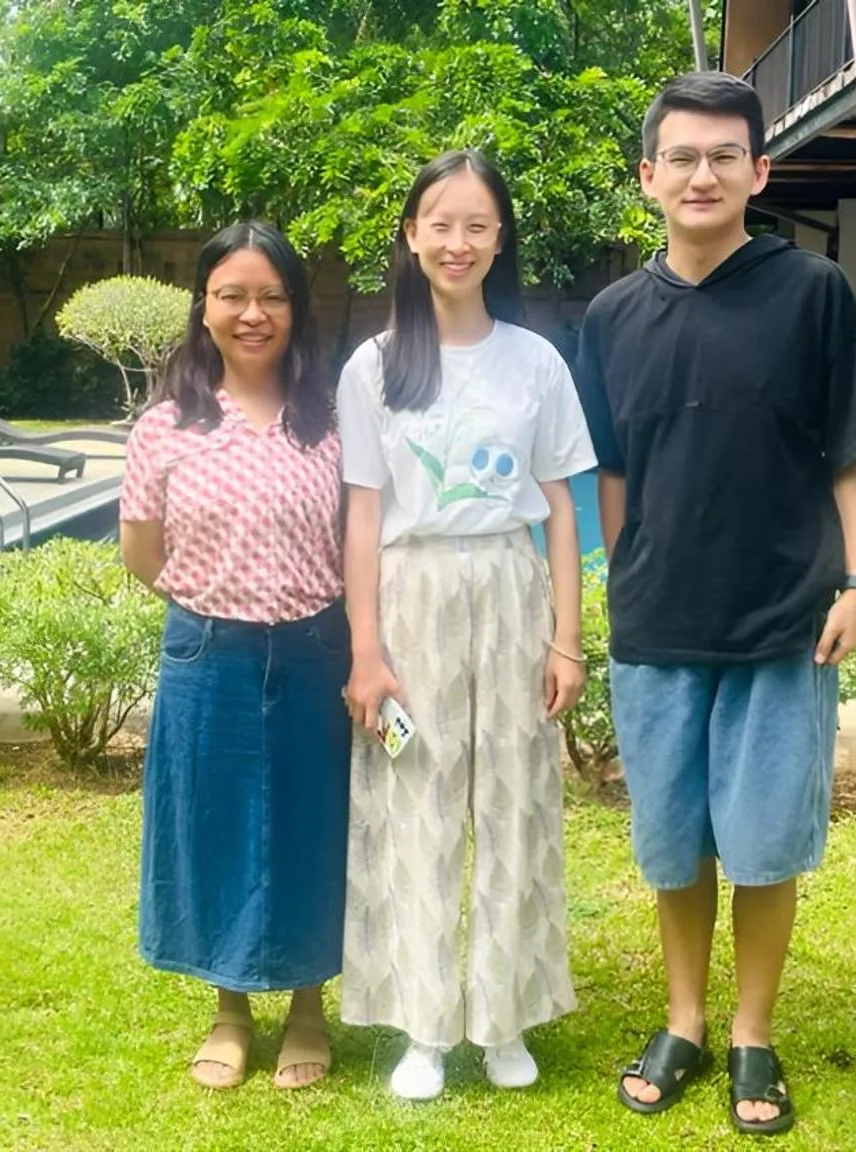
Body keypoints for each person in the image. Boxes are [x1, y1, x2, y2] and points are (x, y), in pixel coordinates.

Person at [571, 72, 856, 1135]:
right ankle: (685, 1020)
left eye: (723, 157)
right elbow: (610, 473)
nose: (700, 176)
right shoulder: (611, 315)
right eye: (680, 158)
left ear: (759, 170)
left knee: (762, 841)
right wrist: (626, 575)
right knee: (672, 842)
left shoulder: (812, 293)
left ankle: (752, 1032)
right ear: (647, 177)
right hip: (658, 625)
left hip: (781, 620)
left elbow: (849, 452)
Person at [337, 149, 597, 1102]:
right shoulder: (372, 367)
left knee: (515, 806)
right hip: (411, 600)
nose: (457, 242)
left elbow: (563, 508)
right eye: (439, 224)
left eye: (477, 225)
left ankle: (503, 1017)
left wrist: (566, 637)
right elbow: (362, 514)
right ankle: (424, 1025)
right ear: (410, 237)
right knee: (418, 807)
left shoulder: (536, 361)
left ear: (500, 240)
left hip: (508, 591)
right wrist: (366, 651)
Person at [120, 220, 351, 1092]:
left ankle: (305, 1007)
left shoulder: (328, 419)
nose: (253, 313)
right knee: (212, 830)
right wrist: (217, 604)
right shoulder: (166, 426)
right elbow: (140, 551)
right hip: (207, 655)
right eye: (233, 295)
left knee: (310, 826)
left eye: (271, 296)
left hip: (315, 652)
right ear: (204, 307)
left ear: (295, 307)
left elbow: (355, 540)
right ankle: (228, 1009)